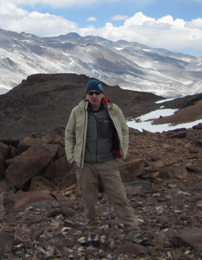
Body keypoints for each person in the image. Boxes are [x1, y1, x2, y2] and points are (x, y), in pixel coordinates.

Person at [64, 79, 150, 247]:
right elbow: (69, 135)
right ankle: (93, 232)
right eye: (91, 93)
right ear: (86, 96)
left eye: (97, 93)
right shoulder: (78, 111)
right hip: (85, 164)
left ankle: (133, 232)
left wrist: (122, 154)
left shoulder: (113, 110)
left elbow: (124, 130)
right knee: (89, 200)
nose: (94, 96)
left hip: (108, 162)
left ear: (103, 94)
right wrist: (72, 157)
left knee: (119, 197)